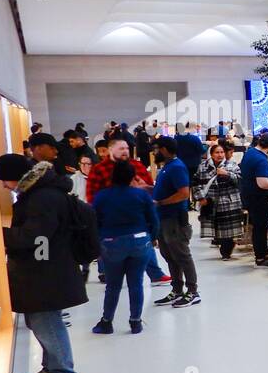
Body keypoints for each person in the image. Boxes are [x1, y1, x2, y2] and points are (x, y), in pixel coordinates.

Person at [0, 154, 86, 373]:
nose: (4, 185)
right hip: (46, 266)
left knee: (46, 320)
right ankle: (52, 367)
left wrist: (0, 235)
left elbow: (35, 237)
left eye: (5, 180)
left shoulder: (41, 198)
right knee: (40, 320)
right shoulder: (40, 194)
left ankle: (63, 372)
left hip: (46, 270)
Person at [91, 159, 158, 334]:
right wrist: (153, 238)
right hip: (140, 241)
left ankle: (107, 322)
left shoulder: (102, 196)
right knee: (136, 283)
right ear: (131, 176)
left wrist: (97, 243)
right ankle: (135, 322)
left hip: (111, 243)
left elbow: (94, 222)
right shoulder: (141, 195)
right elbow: (154, 219)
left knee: (113, 285)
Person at [151, 136, 200, 307]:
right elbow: (164, 190)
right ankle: (177, 289)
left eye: (157, 149)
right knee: (169, 256)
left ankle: (193, 291)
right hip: (163, 218)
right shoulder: (167, 167)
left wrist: (161, 202)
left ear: (164, 149)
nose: (155, 153)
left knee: (182, 255)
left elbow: (184, 194)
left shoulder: (177, 167)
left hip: (174, 219)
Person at [238, 131, 268, 266]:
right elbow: (263, 183)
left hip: (249, 195)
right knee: (261, 228)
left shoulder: (250, 153)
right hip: (258, 197)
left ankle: (263, 254)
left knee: (258, 227)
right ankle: (261, 257)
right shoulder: (261, 159)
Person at [195, 141, 244, 260]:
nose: (220, 155)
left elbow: (239, 180)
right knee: (216, 228)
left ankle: (226, 252)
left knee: (228, 231)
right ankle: (220, 244)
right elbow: (196, 183)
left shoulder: (231, 165)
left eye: (222, 152)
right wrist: (201, 197)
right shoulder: (203, 167)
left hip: (229, 202)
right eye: (217, 152)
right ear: (211, 154)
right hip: (211, 202)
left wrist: (227, 174)